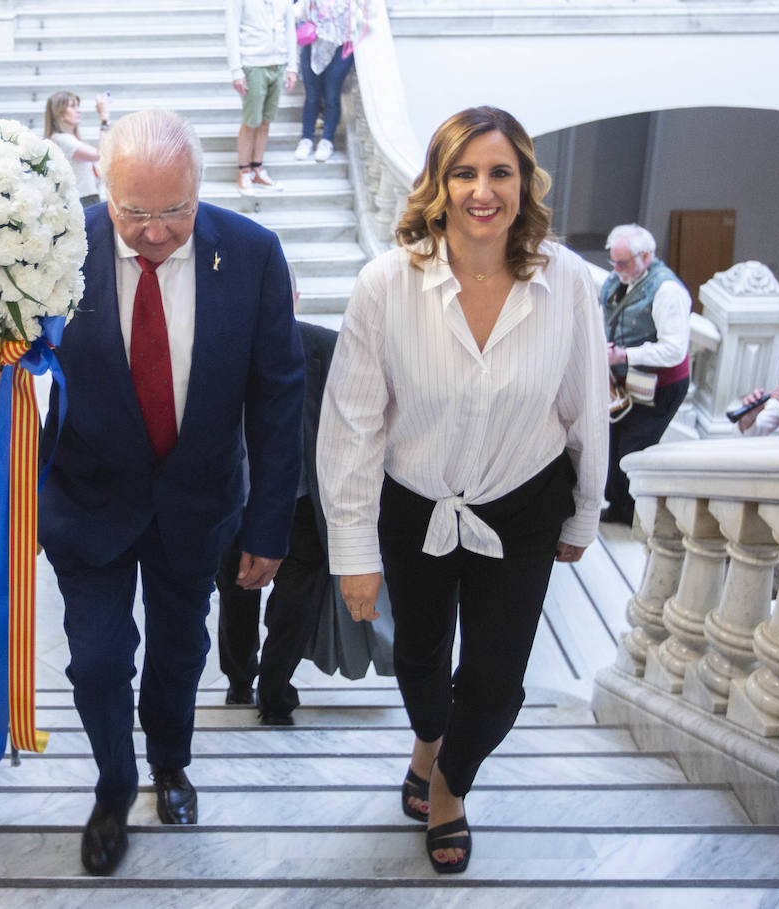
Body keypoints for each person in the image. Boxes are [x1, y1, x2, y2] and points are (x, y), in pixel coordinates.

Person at [317, 106, 609, 874]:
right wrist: (352, 550)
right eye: (466, 172)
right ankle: (426, 738)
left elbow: (584, 401)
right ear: (439, 186)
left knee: (496, 679)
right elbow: (352, 425)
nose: (484, 190)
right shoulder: (386, 285)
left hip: (524, 499)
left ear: (524, 183)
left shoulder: (568, 280)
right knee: (418, 655)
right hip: (415, 502)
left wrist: (584, 508)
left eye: (501, 172)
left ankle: (448, 783)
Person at [39, 109, 304, 876]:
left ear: (201, 186)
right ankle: (114, 785)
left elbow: (278, 398)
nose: (156, 232)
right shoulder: (50, 252)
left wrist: (269, 526)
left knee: (182, 648)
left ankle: (170, 760)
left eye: (175, 211)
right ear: (101, 186)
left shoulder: (253, 255)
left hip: (198, 501)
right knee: (95, 660)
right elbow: (14, 368)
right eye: (136, 213)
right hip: (87, 499)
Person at [217, 267, 385, 725]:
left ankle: (275, 690)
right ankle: (238, 677)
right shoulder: (220, 350)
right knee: (236, 598)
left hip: (305, 503)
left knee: (294, 606)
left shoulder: (328, 349)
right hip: (239, 504)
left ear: (295, 297)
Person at [601, 223, 691, 525]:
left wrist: (624, 355)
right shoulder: (619, 278)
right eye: (613, 261)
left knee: (632, 451)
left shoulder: (668, 291)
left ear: (646, 256)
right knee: (612, 446)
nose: (616, 268)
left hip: (659, 386)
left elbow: (674, 350)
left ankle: (632, 516)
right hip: (625, 380)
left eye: (623, 262)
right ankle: (617, 508)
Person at [226, 0, 298, 195]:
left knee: (265, 121)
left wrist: (292, 66)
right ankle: (244, 171)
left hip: (278, 64)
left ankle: (258, 168)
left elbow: (290, 30)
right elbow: (231, 30)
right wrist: (236, 70)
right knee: (251, 122)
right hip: (253, 64)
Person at [292, 0, 355, 164]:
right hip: (313, 42)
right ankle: (306, 139)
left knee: (332, 93)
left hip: (342, 45)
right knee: (312, 94)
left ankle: (326, 141)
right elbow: (297, 11)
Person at [44, 91, 110, 208]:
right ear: (59, 112)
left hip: (87, 198)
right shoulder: (61, 139)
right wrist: (104, 118)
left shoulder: (72, 139)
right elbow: (99, 154)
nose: (78, 110)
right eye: (72, 106)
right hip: (82, 201)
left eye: (77, 106)